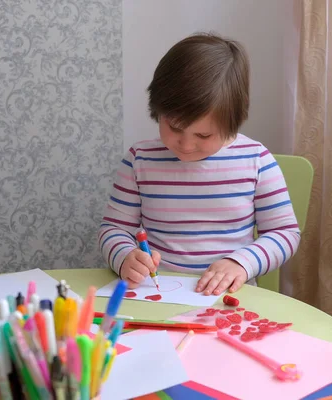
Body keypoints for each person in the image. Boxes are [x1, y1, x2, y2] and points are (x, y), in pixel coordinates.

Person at [98, 33, 300, 296]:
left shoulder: (257, 161)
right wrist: (125, 256)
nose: (185, 144)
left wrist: (241, 263)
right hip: (156, 294)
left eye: (203, 135)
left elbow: (285, 233)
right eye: (174, 127)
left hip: (228, 298)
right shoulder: (139, 160)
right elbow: (113, 229)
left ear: (232, 122)